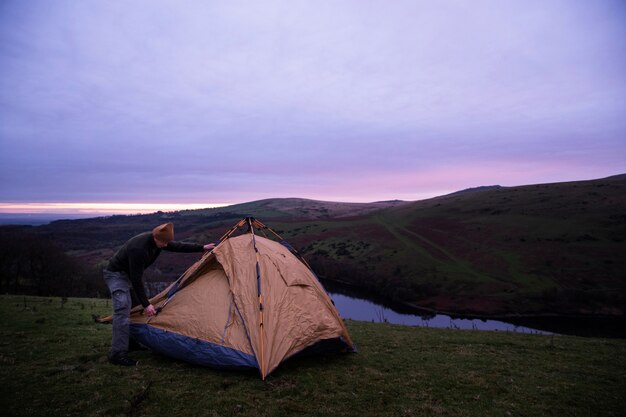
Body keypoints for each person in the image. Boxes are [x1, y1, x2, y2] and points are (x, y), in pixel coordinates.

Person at [102, 222, 215, 366]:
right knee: (123, 308)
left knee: (134, 309)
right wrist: (146, 304)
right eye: (164, 242)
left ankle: (131, 342)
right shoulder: (139, 248)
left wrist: (201, 247)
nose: (166, 245)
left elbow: (178, 246)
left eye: (167, 242)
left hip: (130, 275)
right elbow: (136, 279)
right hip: (117, 275)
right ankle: (117, 354)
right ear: (156, 238)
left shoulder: (160, 241)